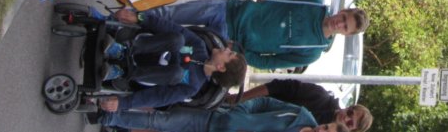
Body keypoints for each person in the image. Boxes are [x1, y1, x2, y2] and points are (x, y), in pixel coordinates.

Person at [113, 0, 368, 69]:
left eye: (345, 27)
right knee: (171, 14)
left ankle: (124, 49)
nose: (339, 23)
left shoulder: (311, 52)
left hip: (226, 41)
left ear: (345, 34)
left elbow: (269, 62)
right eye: (344, 17)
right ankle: (118, 20)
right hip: (230, 9)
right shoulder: (313, 0)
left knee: (174, 46)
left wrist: (239, 52)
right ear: (343, 11)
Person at [96, 11, 247, 111]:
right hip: (140, 45)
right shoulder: (199, 46)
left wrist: (123, 103)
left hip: (139, 75)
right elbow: (169, 27)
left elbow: (160, 97)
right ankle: (122, 51)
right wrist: (140, 18)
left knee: (177, 73)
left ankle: (122, 71)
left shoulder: (193, 86)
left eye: (229, 54)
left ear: (221, 67)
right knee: (178, 39)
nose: (226, 49)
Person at [101, 97, 349, 132]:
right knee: (161, 120)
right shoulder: (301, 114)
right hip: (216, 119)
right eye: (326, 127)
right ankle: (111, 117)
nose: (321, 130)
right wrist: (241, 110)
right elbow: (264, 103)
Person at [238, 82, 372, 131]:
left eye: (350, 123)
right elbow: (278, 86)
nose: (346, 118)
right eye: (350, 112)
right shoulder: (319, 95)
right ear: (349, 107)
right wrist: (241, 97)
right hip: (248, 113)